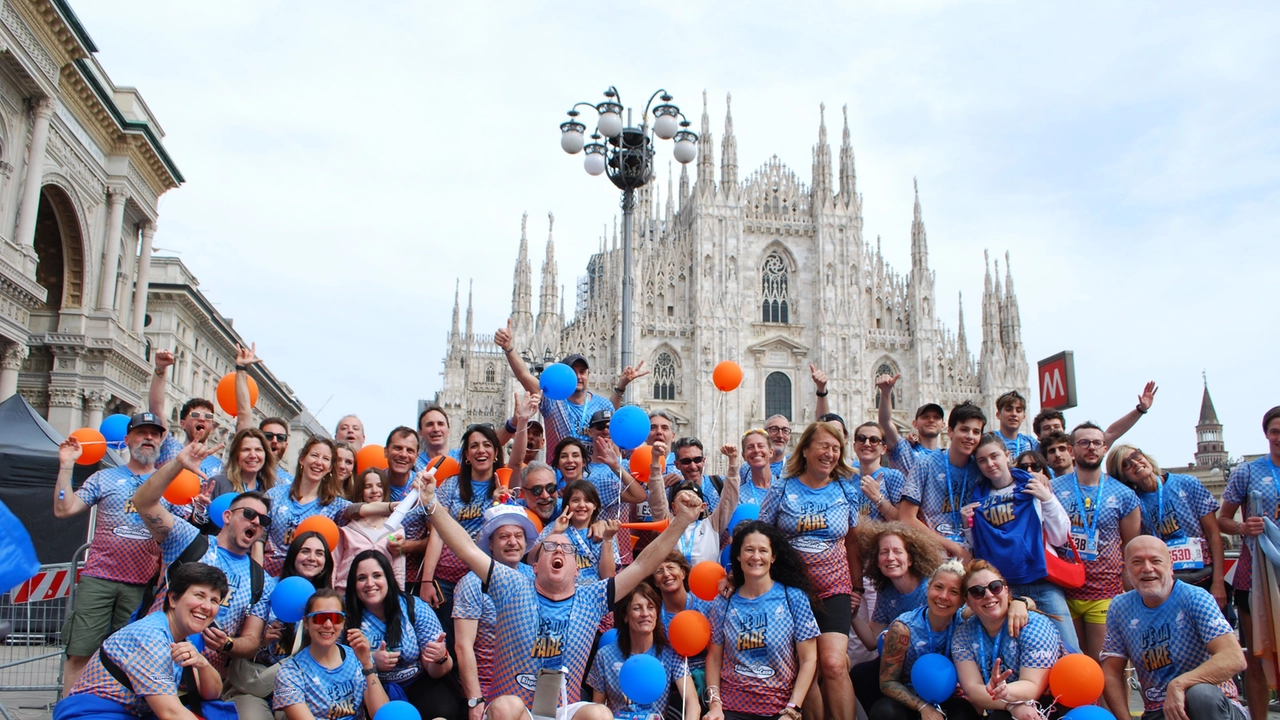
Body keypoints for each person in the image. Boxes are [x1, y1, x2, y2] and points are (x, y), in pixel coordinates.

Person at [417, 465, 706, 720]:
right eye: (551, 547)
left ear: (577, 569)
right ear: (536, 563)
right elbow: (466, 549)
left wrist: (681, 521)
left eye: (566, 549)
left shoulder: (591, 597)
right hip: (515, 711)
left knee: (599, 714)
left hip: (561, 710)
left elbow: (644, 565)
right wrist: (431, 503)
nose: (559, 550)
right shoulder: (511, 584)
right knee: (505, 708)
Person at [131, 440, 272, 675]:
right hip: (149, 663)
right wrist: (177, 464)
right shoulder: (190, 541)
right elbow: (143, 502)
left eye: (263, 520)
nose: (256, 522)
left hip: (201, 683)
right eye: (248, 514)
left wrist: (228, 644)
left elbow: (251, 639)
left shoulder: (261, 579)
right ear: (227, 516)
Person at [53, 412, 170, 693]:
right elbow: (63, 508)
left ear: (161, 442)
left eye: (154, 434)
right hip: (99, 579)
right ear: (127, 439)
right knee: (80, 653)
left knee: (131, 661)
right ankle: (71, 713)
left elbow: (180, 533)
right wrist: (66, 465)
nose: (149, 438)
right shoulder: (104, 477)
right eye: (142, 432)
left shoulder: (169, 484)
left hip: (142, 586)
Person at [760, 421, 862, 720]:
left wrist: (857, 587)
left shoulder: (846, 488)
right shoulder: (782, 487)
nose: (830, 454)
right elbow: (761, 536)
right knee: (805, 668)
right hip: (792, 591)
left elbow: (853, 542)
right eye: (823, 446)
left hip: (834, 587)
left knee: (833, 663)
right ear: (805, 449)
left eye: (835, 448)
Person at [53, 563, 228, 719]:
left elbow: (212, 693)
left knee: (213, 710)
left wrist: (202, 663)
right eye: (199, 595)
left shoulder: (180, 636)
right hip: (93, 714)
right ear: (173, 599)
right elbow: (170, 713)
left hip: (129, 713)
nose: (206, 606)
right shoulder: (151, 636)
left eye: (214, 600)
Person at [1101, 536, 1248, 720]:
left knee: (1199, 695)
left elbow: (1234, 658)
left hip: (1214, 705)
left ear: (1171, 566)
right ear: (1126, 569)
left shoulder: (1194, 597)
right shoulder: (1120, 607)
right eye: (1137, 562)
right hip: (1160, 711)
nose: (1147, 568)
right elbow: (1111, 672)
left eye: (1155, 561)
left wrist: (1179, 684)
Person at [1049, 422, 1139, 713]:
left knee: (1106, 667)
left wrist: (1130, 593)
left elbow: (1131, 547)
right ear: (1073, 449)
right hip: (1063, 591)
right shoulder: (1053, 489)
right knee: (1075, 667)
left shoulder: (1123, 495)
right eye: (1084, 442)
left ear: (1104, 448)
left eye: (1097, 442)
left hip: (1105, 592)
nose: (1091, 447)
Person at [964, 433, 1077, 651]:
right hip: (1003, 588)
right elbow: (979, 547)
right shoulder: (977, 499)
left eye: (994, 456)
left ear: (1007, 455)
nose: (990, 464)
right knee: (1016, 650)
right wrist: (968, 525)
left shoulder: (1032, 487)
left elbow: (1061, 536)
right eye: (982, 460)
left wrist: (1048, 499)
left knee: (1069, 649)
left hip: (1041, 580)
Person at [705, 521, 820, 720]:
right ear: (739, 556)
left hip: (779, 709)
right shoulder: (723, 603)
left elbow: (809, 659)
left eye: (763, 550)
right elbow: (714, 659)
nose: (756, 556)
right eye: (749, 549)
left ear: (773, 557)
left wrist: (793, 710)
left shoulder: (793, 598)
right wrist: (715, 706)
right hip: (732, 708)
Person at [496, 319, 648, 452]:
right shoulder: (552, 400)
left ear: (588, 374)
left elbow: (614, 425)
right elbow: (524, 375)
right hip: (560, 476)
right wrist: (509, 348)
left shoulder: (602, 404)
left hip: (592, 479)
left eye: (583, 371)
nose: (579, 377)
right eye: (573, 372)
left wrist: (622, 385)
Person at [1216, 405, 1280, 720]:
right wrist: (1243, 527)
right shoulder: (1248, 471)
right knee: (1256, 655)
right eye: (1275, 431)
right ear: (1266, 434)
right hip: (1256, 575)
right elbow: (1223, 518)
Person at [230, 531, 335, 720]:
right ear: (293, 555)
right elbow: (240, 639)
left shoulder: (330, 602)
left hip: (303, 687)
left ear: (326, 562)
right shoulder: (268, 588)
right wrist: (261, 641)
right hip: (256, 683)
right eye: (305, 551)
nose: (312, 558)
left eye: (319, 553)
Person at [1107, 444, 1226, 605]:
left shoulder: (1188, 484)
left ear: (1145, 456)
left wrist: (1218, 583)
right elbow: (1130, 545)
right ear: (1122, 476)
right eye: (1126, 464)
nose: (1135, 463)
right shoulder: (1132, 502)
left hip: (1203, 577)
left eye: (1135, 455)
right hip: (1164, 584)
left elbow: (1214, 534)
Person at [345, 550, 459, 717]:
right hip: (369, 687)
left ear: (388, 579)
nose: (370, 583)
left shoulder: (414, 607)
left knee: (441, 713)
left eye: (377, 575)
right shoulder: (346, 615)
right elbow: (336, 663)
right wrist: (371, 661)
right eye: (362, 578)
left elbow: (437, 671)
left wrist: (440, 657)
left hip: (419, 681)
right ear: (353, 584)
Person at [263, 436, 396, 576]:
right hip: (268, 577)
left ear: (330, 468)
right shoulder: (274, 495)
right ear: (302, 459)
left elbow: (360, 509)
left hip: (309, 580)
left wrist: (393, 506)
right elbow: (260, 539)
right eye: (314, 455)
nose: (319, 462)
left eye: (325, 459)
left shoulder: (335, 504)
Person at [454, 505, 539, 720]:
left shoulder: (537, 577)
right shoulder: (472, 583)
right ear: (490, 544)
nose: (512, 542)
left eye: (518, 536)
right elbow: (463, 645)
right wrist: (475, 700)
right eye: (504, 536)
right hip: (490, 689)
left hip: (533, 685)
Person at [951, 561, 1065, 720]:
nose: (988, 595)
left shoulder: (1033, 625)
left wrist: (1005, 692)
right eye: (977, 591)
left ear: (1006, 590)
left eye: (995, 587)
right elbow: (972, 689)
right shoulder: (963, 633)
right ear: (968, 602)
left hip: (1049, 703)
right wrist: (1009, 704)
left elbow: (1033, 686)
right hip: (1002, 704)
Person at [872, 560, 979, 720]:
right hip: (910, 697)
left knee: (965, 713)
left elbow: (998, 606)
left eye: (954, 592)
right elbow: (887, 682)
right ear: (928, 589)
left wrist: (1020, 603)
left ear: (963, 601)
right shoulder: (903, 629)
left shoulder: (965, 622)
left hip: (950, 696)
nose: (943, 596)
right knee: (884, 712)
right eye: (938, 587)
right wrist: (923, 707)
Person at [420, 424, 505, 621]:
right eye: (474, 446)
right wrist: (427, 580)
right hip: (446, 580)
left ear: (495, 453)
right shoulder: (451, 485)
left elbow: (503, 533)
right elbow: (437, 533)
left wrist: (497, 502)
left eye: (487, 445)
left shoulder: (503, 486)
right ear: (466, 455)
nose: (481, 450)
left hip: (483, 578)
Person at [273, 589, 392, 720]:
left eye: (336, 618)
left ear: (343, 623)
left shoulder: (358, 658)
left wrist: (367, 664)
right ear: (306, 623)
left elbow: (382, 715)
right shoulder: (290, 673)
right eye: (320, 618)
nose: (328, 625)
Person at [588, 582, 698, 720]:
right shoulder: (604, 656)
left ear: (657, 614)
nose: (645, 614)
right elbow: (596, 707)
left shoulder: (670, 653)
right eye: (637, 608)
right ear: (625, 616)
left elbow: (692, 702)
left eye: (650, 607)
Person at [902, 402, 986, 560]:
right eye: (964, 429)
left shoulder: (980, 467)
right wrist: (954, 548)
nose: (970, 436)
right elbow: (907, 517)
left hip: (973, 555)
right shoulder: (926, 464)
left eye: (976, 432)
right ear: (950, 431)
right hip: (933, 554)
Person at [648, 443, 741, 565]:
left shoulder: (712, 524)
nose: (688, 501)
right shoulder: (667, 524)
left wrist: (733, 461)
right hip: (674, 581)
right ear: (674, 507)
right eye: (683, 500)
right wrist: (655, 460)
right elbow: (657, 500)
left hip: (706, 581)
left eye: (693, 500)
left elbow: (729, 500)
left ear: (703, 507)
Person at [150, 349, 224, 477]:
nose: (202, 419)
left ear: (212, 427)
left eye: (208, 417)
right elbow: (156, 408)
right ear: (182, 424)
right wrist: (160, 369)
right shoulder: (169, 447)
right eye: (195, 415)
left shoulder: (219, 466)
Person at [536, 480, 620, 585]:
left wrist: (607, 539)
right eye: (575, 500)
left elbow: (607, 576)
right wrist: (555, 532)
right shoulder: (553, 528)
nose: (581, 505)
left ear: (595, 505)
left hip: (593, 595)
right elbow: (532, 560)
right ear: (567, 505)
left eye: (588, 501)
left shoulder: (604, 532)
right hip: (559, 594)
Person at [335, 467, 406, 593]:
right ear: (360, 491)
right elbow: (334, 565)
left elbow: (398, 569)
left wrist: (400, 599)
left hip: (380, 599)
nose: (375, 491)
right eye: (368, 486)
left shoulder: (395, 529)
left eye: (379, 485)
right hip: (346, 594)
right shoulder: (347, 526)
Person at [875, 373, 945, 478]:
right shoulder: (905, 451)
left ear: (943, 425)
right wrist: (886, 392)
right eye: (925, 417)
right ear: (915, 424)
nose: (931, 420)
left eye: (936, 417)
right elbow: (885, 423)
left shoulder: (946, 458)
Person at [199, 427, 278, 503]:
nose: (253, 455)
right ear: (236, 455)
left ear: (266, 455)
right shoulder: (218, 483)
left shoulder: (269, 491)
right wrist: (201, 508)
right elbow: (201, 514)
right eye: (246, 449)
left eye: (258, 450)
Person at [852, 422, 904, 522]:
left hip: (883, 535)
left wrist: (877, 497)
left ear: (883, 449)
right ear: (854, 446)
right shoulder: (848, 479)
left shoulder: (893, 476)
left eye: (874, 440)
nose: (867, 444)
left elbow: (902, 521)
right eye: (861, 439)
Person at [382, 426, 422, 502]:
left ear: (416, 457)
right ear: (386, 452)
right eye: (398, 448)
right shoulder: (372, 482)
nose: (403, 454)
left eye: (409, 450)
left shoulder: (423, 487)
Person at [738, 429, 776, 508]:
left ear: (771, 452)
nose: (756, 450)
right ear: (744, 456)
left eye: (761, 446)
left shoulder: (785, 488)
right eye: (750, 447)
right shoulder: (738, 496)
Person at [518, 461, 562, 528]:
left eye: (550, 488)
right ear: (523, 493)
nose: (545, 496)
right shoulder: (514, 512)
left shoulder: (567, 509)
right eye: (537, 490)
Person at [994, 391, 1038, 456]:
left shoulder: (1031, 443)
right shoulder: (988, 439)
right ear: (998, 415)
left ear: (1024, 417)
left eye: (1019, 411)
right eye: (1008, 409)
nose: (1014, 414)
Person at [260, 417, 293, 484]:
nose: (274, 440)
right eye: (268, 436)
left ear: (286, 446)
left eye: (280, 437)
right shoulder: (246, 473)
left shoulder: (291, 483)